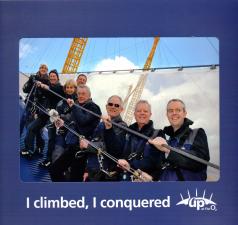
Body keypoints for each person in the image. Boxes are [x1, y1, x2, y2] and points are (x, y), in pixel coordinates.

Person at [149, 99, 210, 181]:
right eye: (170, 111)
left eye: (178, 110)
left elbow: (200, 162)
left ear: (185, 113)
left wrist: (168, 150)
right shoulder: (167, 140)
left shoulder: (197, 133)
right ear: (167, 115)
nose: (174, 113)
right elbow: (163, 169)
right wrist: (151, 178)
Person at [50, 85, 101, 182]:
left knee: (73, 178)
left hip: (82, 151)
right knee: (55, 171)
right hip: (72, 147)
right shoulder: (79, 106)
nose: (80, 96)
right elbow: (75, 124)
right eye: (79, 94)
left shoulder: (93, 107)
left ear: (89, 95)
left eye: (83, 94)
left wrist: (74, 106)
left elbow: (83, 121)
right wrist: (63, 124)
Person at [114, 100, 164, 181]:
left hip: (143, 181)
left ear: (150, 114)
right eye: (139, 111)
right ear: (134, 114)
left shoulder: (157, 134)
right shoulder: (127, 132)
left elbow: (155, 161)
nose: (142, 113)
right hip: (123, 179)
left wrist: (130, 165)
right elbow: (116, 150)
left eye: (145, 111)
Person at [79, 95, 127, 181]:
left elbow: (113, 149)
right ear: (106, 106)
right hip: (92, 170)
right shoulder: (101, 124)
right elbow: (95, 141)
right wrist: (86, 170)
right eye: (110, 104)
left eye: (117, 105)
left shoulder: (122, 126)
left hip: (105, 174)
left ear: (121, 109)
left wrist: (88, 145)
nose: (113, 107)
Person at [20, 64, 50, 157]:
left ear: (47, 70)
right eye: (41, 68)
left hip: (39, 108)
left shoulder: (48, 82)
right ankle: (30, 147)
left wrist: (42, 86)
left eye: (45, 68)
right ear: (39, 69)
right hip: (29, 105)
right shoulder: (33, 78)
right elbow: (25, 90)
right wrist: (30, 81)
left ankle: (37, 147)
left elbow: (47, 94)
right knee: (28, 126)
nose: (43, 69)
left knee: (36, 129)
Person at [38, 70, 65, 167]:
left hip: (59, 117)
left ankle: (52, 160)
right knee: (51, 138)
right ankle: (48, 158)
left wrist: (46, 87)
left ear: (58, 78)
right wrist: (41, 86)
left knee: (55, 140)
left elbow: (55, 93)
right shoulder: (49, 86)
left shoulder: (61, 88)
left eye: (54, 76)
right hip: (51, 115)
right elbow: (47, 94)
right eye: (51, 76)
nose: (52, 78)